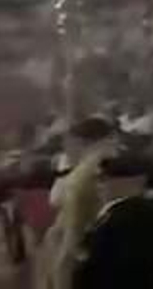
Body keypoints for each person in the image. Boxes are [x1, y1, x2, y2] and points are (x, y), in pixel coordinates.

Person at [36, 117, 117, 289]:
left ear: (81, 143)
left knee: (55, 239)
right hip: (133, 259)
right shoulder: (128, 163)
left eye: (68, 145)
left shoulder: (81, 178)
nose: (66, 150)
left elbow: (68, 254)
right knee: (53, 234)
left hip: (95, 257)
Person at [72, 158, 153, 289]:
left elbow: (88, 262)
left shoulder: (111, 217)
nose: (98, 186)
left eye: (103, 179)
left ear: (123, 182)